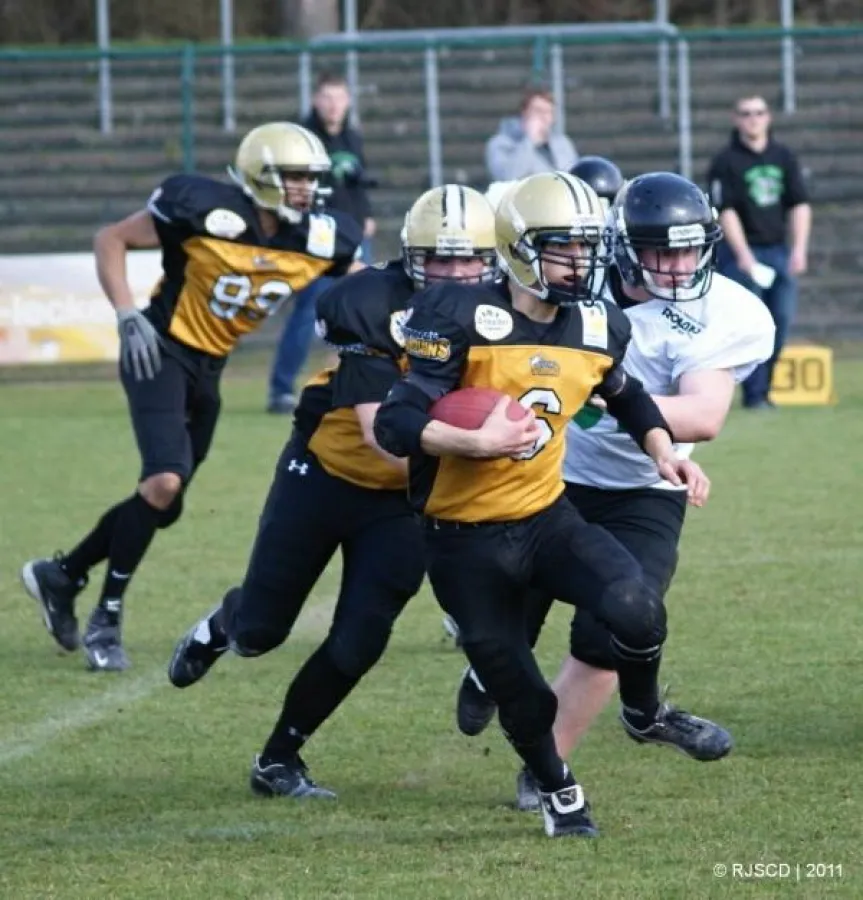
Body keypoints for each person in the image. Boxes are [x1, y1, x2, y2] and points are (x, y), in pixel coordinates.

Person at [374, 171, 712, 839]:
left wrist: (661, 450)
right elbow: (395, 423)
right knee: (520, 691)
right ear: (518, 248)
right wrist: (472, 442)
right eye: (563, 247)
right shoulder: (458, 316)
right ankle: (559, 789)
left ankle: (643, 713)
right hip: (461, 538)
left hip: (544, 517)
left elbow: (625, 394)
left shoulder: (597, 322)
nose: (579, 262)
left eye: (588, 247)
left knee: (635, 605)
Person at [454, 172, 775, 813]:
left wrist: (602, 391)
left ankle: (549, 764)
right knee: (507, 609)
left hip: (643, 489)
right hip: (550, 476)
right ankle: (487, 663)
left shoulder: (724, 311)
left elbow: (704, 416)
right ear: (623, 248)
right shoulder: (570, 277)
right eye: (661, 252)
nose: (679, 266)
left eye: (690, 250)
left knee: (615, 626)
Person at [166, 185, 499, 798]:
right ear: (411, 255)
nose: (455, 273)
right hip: (326, 474)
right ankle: (225, 622)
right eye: (439, 258)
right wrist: (483, 450)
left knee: (360, 640)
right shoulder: (370, 302)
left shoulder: (506, 315)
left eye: (469, 259)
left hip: (404, 501)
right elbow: (383, 436)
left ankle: (279, 759)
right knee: (261, 632)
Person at [21, 121, 364, 672]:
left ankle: (61, 575)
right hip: (158, 351)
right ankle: (106, 617)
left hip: (210, 369)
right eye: (295, 176)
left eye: (310, 177)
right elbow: (111, 238)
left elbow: (364, 282)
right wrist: (126, 312)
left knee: (165, 503)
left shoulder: (317, 237)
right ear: (261, 176)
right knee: (163, 482)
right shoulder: (205, 210)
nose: (307, 187)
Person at [267, 72, 376, 415]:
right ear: (316, 100)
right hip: (318, 237)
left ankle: (355, 384)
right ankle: (281, 389)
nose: (333, 105)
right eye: (327, 98)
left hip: (354, 236)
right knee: (310, 310)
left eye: (339, 98)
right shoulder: (303, 139)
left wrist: (366, 215)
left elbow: (358, 183)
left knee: (365, 311)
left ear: (348, 101)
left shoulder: (352, 137)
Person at [707, 94, 811, 410]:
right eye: (746, 113)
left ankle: (764, 389)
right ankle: (754, 395)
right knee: (749, 325)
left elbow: (799, 204)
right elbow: (725, 210)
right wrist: (743, 255)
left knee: (781, 320)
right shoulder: (725, 161)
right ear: (735, 119)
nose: (753, 118)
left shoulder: (784, 156)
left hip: (778, 250)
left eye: (759, 112)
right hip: (741, 254)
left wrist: (799, 249)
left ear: (768, 117)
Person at [485, 87, 577, 184]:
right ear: (524, 113)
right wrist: (530, 140)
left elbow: (573, 177)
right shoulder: (500, 143)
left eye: (549, 112)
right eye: (538, 111)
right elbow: (507, 177)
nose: (544, 117)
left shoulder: (562, 143)